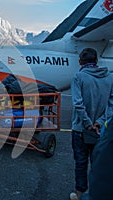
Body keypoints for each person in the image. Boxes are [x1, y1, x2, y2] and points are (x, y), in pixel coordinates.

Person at [69, 48, 113, 200]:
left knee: (80, 163)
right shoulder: (110, 77)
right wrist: (99, 123)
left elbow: (78, 104)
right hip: (101, 130)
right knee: (99, 163)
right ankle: (96, 194)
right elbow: (111, 104)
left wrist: (87, 124)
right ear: (96, 61)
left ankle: (80, 194)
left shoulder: (78, 77)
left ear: (80, 61)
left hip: (81, 129)